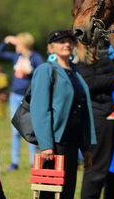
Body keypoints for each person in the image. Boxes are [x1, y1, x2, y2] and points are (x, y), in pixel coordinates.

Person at [30, 30, 96, 199]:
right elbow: (40, 109)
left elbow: (82, 110)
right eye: (61, 41)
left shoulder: (75, 72)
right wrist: (46, 144)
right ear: (50, 48)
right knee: (50, 192)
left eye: (69, 41)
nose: (66, 44)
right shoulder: (46, 70)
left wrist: (86, 147)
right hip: (55, 144)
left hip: (73, 143)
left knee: (67, 192)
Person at [76, 44, 114, 199]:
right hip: (99, 117)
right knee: (97, 169)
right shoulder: (82, 61)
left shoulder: (107, 54)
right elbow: (88, 82)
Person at [0, 32, 44, 171]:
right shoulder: (17, 56)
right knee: (15, 131)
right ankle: (14, 162)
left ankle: (33, 161)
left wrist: (31, 71)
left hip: (29, 98)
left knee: (29, 130)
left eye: (18, 44)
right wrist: (6, 40)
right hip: (15, 97)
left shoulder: (36, 57)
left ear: (25, 45)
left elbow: (42, 73)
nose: (16, 46)